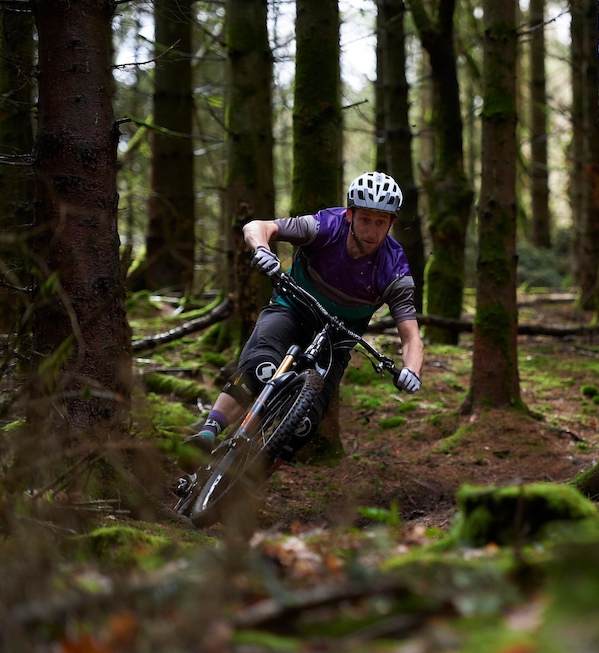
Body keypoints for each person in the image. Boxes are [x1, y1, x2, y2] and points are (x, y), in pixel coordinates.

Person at [181, 171, 423, 470]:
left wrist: (411, 370)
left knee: (304, 424)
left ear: (392, 223)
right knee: (261, 369)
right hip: (291, 309)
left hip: (338, 339)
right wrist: (262, 250)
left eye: (380, 222)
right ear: (350, 215)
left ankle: (249, 483)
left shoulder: (394, 268)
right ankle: (209, 433)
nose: (372, 232)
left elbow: (411, 336)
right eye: (365, 219)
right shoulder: (325, 226)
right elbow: (258, 226)